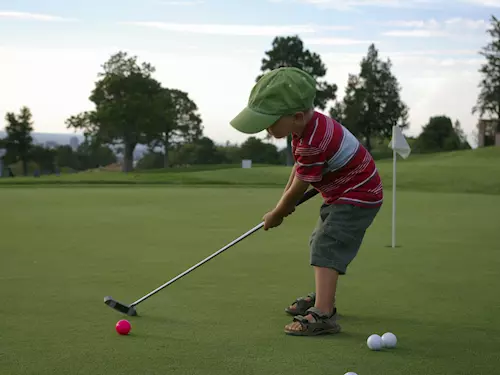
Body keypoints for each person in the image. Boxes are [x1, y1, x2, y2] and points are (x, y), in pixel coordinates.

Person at [229, 67, 383, 336]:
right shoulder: (306, 128)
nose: (267, 129)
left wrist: (279, 212)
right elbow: (300, 171)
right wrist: (281, 205)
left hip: (358, 195)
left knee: (327, 244)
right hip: (342, 193)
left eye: (271, 122)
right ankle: (325, 298)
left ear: (296, 117)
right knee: (320, 241)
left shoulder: (313, 139)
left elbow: (301, 184)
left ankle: (323, 313)